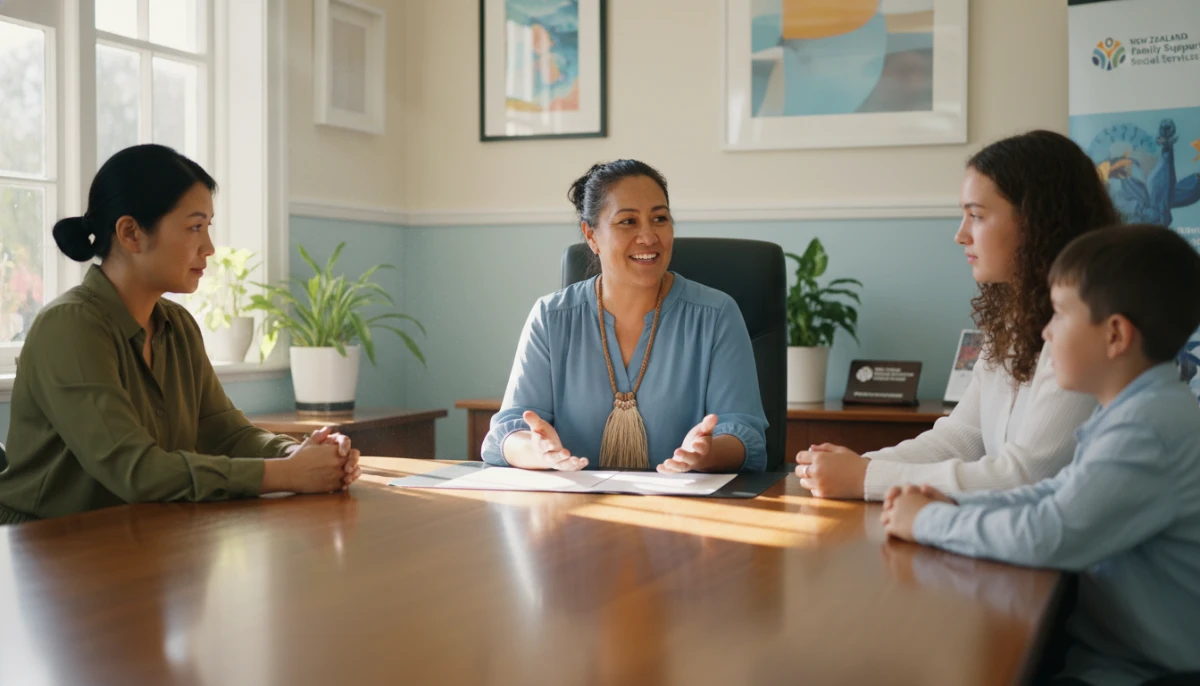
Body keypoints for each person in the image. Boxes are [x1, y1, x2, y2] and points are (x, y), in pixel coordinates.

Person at [882, 224, 1200, 686]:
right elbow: (1055, 493)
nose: (1046, 332)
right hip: (1111, 657)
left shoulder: (1147, 428)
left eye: (1059, 314)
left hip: (1141, 674)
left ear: (1115, 335)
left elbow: (1050, 533)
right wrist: (953, 504)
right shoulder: (1137, 410)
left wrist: (927, 522)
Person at [0, 144, 360, 525]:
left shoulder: (178, 326)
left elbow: (226, 434)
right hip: (40, 548)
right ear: (131, 233)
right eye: (194, 227)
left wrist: (303, 455)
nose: (209, 247)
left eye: (208, 227)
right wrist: (286, 475)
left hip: (137, 535)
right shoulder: (69, 327)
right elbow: (137, 470)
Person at [796, 130, 1119, 500]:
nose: (960, 235)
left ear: (1037, 221)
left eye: (976, 216)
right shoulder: (1013, 320)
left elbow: (1028, 476)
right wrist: (862, 466)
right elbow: (961, 437)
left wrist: (866, 479)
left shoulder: (1087, 332)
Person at [481, 159, 768, 472]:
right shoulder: (551, 317)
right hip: (573, 511)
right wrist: (537, 451)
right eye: (628, 222)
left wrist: (706, 454)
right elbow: (507, 433)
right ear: (591, 236)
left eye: (660, 218)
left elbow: (745, 437)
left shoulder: (716, 315)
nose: (648, 236)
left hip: (681, 510)